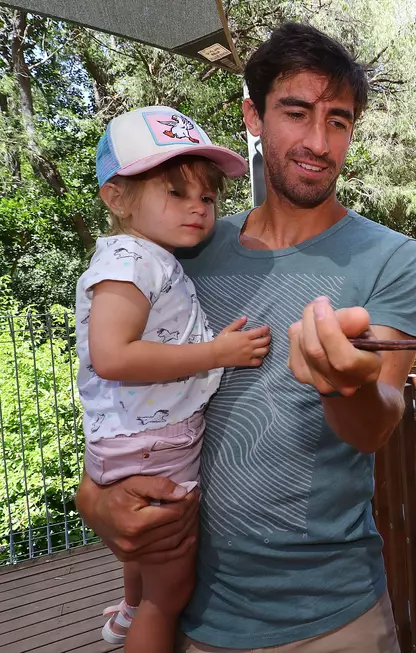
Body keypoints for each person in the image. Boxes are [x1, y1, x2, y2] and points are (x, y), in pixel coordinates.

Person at [74, 21, 416, 652]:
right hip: (193, 612)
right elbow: (117, 384)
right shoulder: (185, 247)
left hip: (333, 616)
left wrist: (341, 385)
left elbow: (378, 423)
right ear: (253, 115)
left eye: (339, 121)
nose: (318, 142)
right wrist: (92, 499)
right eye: (296, 112)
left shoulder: (391, 257)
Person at [76, 106, 272, 652]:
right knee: (173, 584)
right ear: (117, 198)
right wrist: (217, 352)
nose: (197, 208)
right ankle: (143, 618)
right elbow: (113, 355)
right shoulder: (130, 260)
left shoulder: (150, 256)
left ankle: (128, 608)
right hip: (152, 446)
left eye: (206, 198)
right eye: (175, 193)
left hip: (140, 439)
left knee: (147, 557)